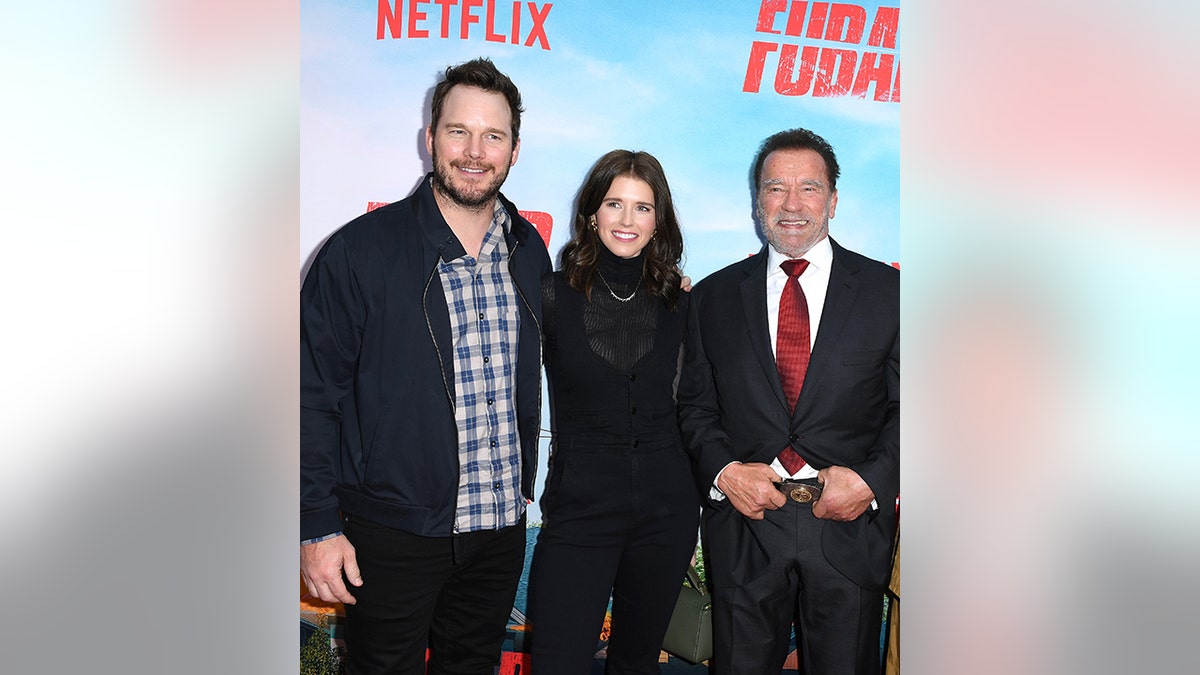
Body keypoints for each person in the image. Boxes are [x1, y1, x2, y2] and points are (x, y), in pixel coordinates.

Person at [299, 57, 551, 675]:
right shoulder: (359, 252)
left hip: (498, 530)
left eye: (493, 136)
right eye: (458, 131)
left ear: (514, 150)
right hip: (392, 531)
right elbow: (306, 396)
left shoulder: (529, 251)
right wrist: (314, 526)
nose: (474, 151)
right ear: (430, 138)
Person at [677, 128, 899, 674]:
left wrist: (870, 481)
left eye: (809, 188)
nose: (792, 204)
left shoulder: (889, 294)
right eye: (776, 188)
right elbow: (694, 407)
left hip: (848, 525)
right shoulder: (712, 297)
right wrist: (726, 472)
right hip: (747, 526)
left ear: (834, 200)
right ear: (757, 201)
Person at [528, 150, 700, 674]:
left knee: (636, 661)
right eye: (614, 204)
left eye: (643, 208)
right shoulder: (550, 296)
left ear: (659, 220)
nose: (627, 220)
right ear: (591, 213)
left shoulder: (682, 302)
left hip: (668, 510)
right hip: (579, 508)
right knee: (558, 660)